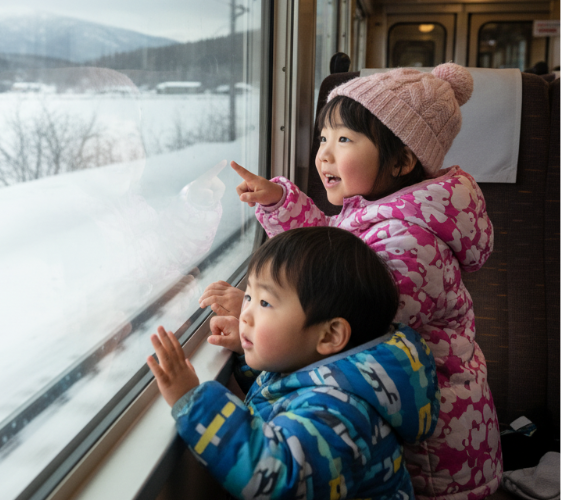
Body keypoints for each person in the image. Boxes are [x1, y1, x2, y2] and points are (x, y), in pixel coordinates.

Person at [199, 63, 501, 499]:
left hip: (434, 457)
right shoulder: (384, 211)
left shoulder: (410, 243)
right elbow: (331, 255)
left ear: (401, 159)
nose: (323, 153)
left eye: (344, 139)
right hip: (397, 414)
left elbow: (348, 317)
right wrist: (280, 203)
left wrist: (255, 312)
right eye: (323, 138)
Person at [148, 226, 439, 500]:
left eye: (265, 304)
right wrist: (248, 352)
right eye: (249, 295)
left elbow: (277, 478)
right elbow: (286, 390)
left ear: (330, 335)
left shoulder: (341, 414)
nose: (245, 314)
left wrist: (194, 402)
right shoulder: (328, 368)